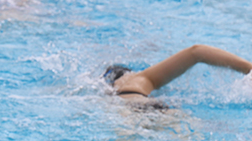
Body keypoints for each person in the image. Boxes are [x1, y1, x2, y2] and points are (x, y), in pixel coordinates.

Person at [104, 45, 252, 105]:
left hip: (130, 113)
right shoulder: (141, 79)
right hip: (156, 108)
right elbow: (197, 51)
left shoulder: (109, 98)